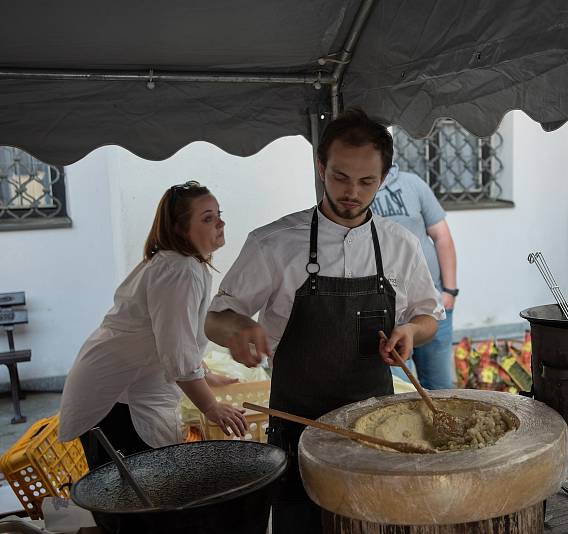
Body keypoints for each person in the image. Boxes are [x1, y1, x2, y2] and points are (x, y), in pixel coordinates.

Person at [204, 109, 444, 533]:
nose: (352, 192)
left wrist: (410, 331)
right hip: (299, 429)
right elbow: (215, 318)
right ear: (321, 167)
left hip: (376, 433)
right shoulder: (273, 243)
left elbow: (428, 317)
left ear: (384, 178)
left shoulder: (400, 244)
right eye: (340, 177)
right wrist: (238, 329)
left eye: (366, 181)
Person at [59, 181, 247, 470]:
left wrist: (206, 375)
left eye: (218, 214)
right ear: (181, 229)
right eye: (208, 218)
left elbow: (172, 336)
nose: (221, 223)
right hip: (116, 402)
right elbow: (175, 347)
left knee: (148, 492)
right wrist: (211, 406)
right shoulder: (179, 270)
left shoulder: (184, 265)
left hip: (124, 394)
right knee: (135, 498)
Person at [371, 164, 458, 389]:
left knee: (441, 390)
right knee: (400, 392)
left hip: (433, 305)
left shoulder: (413, 183)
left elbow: (441, 236)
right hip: (388, 313)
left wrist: (450, 291)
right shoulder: (358, 195)